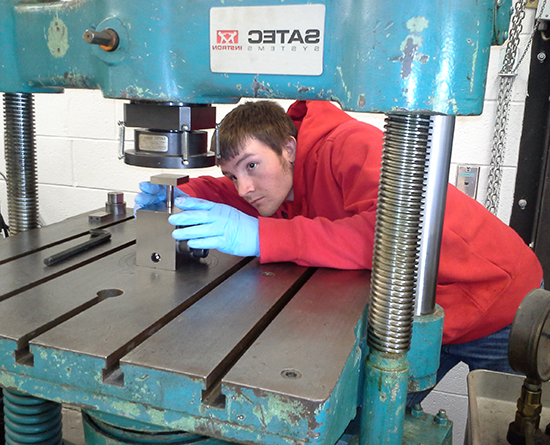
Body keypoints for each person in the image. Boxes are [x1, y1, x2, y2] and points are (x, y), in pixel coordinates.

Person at [135, 99, 543, 404]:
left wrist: (263, 238)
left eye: (252, 166)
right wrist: (178, 196)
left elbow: (393, 234)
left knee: (504, 424)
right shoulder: (280, 182)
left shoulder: (350, 146)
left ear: (289, 149)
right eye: (232, 174)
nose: (244, 186)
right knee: (370, 419)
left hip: (497, 300)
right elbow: (231, 195)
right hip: (415, 314)